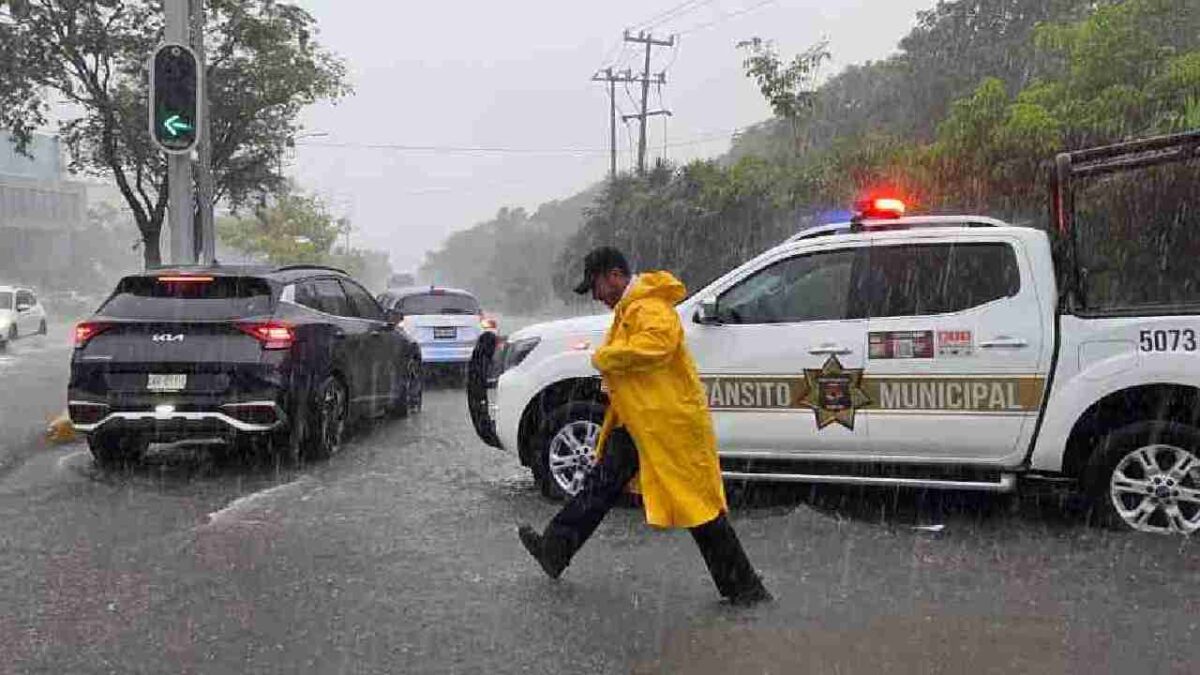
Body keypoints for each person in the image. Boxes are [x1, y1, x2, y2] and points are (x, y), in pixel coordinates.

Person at [516, 246, 772, 606]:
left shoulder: (648, 306)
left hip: (667, 424)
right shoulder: (630, 308)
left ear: (614, 276)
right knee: (600, 485)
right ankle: (555, 550)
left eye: (596, 286)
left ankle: (745, 587)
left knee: (696, 506)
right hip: (642, 422)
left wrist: (606, 357)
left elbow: (659, 344)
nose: (595, 295)